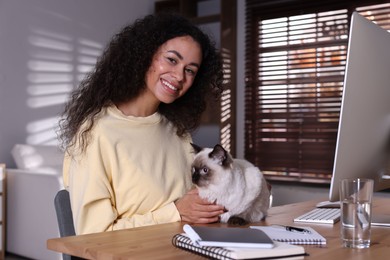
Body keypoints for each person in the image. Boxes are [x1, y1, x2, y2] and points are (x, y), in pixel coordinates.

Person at [59, 13, 225, 235]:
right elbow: (93, 233)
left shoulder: (177, 132)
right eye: (172, 60)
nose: (178, 76)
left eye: (190, 70)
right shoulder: (96, 133)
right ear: (145, 54)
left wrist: (237, 190)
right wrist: (174, 212)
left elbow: (193, 204)